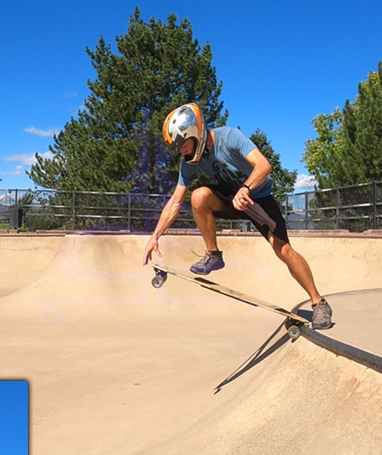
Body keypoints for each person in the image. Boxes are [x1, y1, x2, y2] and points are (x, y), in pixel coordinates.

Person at [142, 103, 332, 330]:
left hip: (258, 197)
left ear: (195, 132)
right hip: (229, 198)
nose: (182, 152)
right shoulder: (190, 162)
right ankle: (213, 255)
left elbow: (264, 165)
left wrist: (246, 188)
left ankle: (319, 302)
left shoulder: (230, 137)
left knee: (284, 250)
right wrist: (155, 236)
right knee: (199, 196)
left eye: (183, 145)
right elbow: (175, 201)